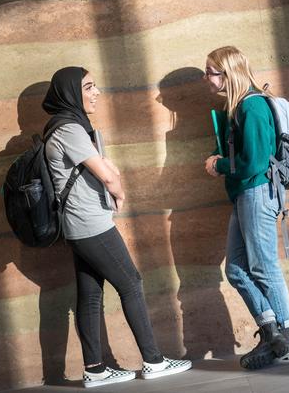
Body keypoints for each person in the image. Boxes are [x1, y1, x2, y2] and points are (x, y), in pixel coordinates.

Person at [42, 66, 191, 388]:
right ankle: (154, 360)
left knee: (91, 294)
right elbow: (106, 174)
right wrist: (119, 191)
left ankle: (95, 370)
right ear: (70, 93)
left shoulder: (68, 127)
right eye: (89, 87)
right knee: (131, 283)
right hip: (90, 223)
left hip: (80, 223)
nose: (96, 93)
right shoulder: (68, 129)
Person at [203, 47, 289, 369]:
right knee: (235, 269)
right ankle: (271, 329)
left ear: (228, 74)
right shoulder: (237, 109)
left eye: (211, 72)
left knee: (263, 266)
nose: (207, 78)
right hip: (244, 195)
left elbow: (254, 163)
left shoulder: (254, 107)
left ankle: (285, 335)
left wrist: (221, 165)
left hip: (258, 193)